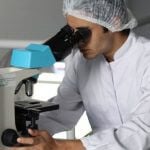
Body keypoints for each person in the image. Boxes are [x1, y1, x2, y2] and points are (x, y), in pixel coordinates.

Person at [10, 0, 150, 149]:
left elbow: (143, 131)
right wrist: (18, 130)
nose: (78, 42)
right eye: (72, 33)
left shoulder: (145, 59)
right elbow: (60, 112)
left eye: (83, 33)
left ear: (113, 23)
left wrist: (59, 146)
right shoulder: (81, 62)